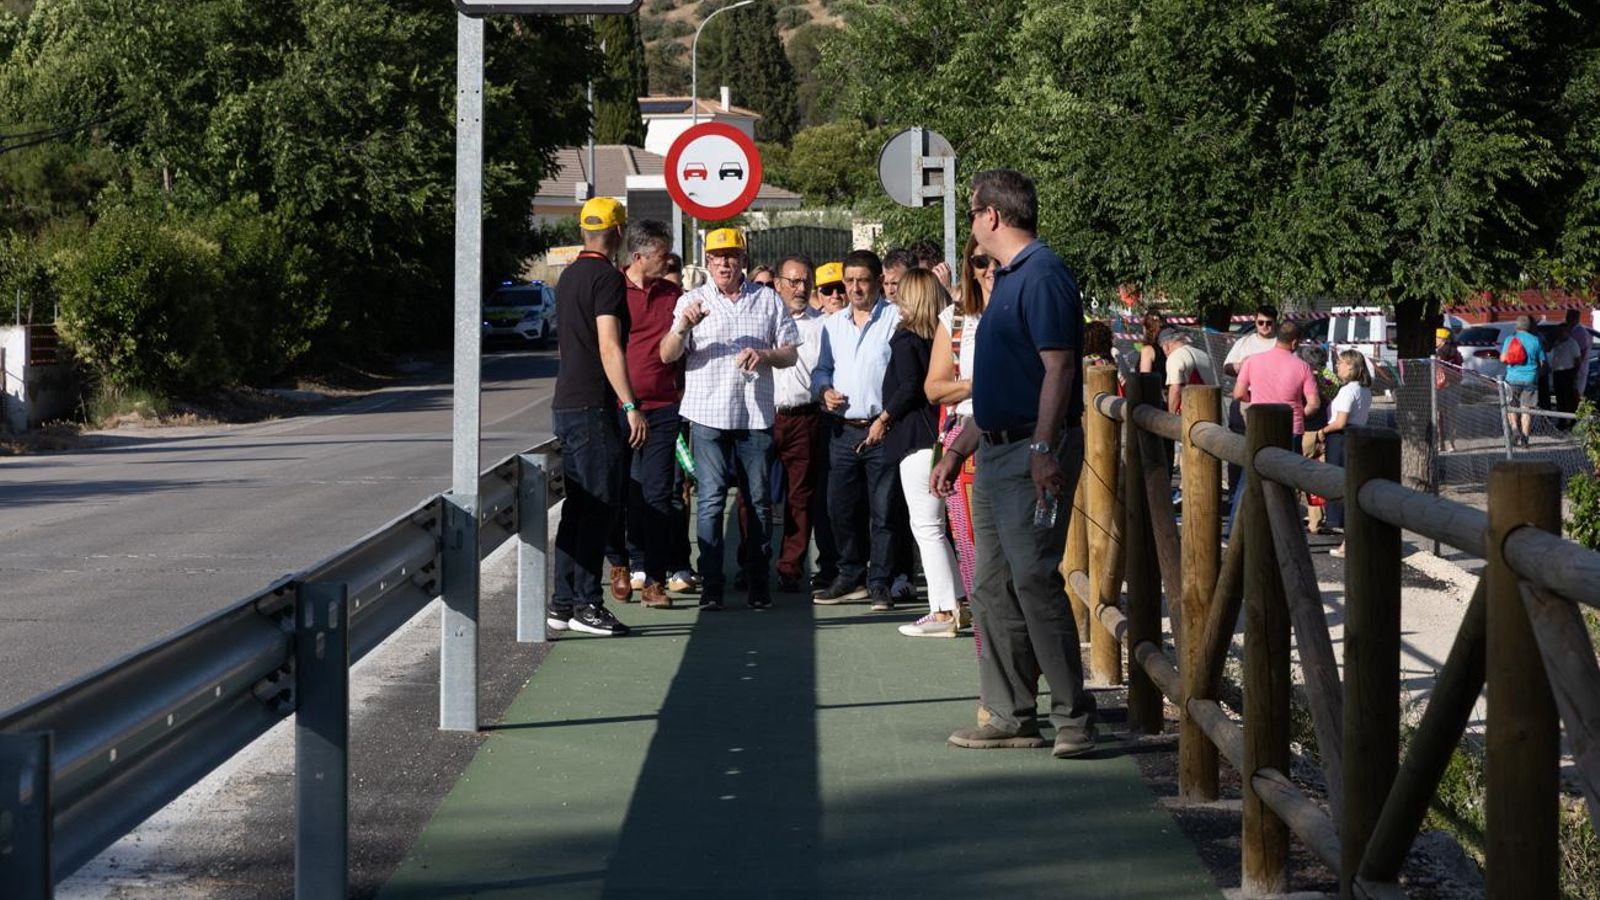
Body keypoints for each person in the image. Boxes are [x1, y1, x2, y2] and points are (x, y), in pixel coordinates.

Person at [931, 168, 1096, 759]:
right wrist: (959, 447)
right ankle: (1009, 713)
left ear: (992, 216)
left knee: (1030, 576)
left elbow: (1059, 369)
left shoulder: (1043, 275)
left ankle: (1073, 715)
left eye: (973, 212)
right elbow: (1004, 385)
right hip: (999, 446)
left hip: (1029, 450)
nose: (971, 224)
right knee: (993, 584)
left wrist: (1044, 448)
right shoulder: (1010, 280)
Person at [659, 227, 799, 610]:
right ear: (707, 262)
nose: (725, 263)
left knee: (758, 502)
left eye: (732, 256)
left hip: (754, 416)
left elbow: (791, 353)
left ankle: (758, 584)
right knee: (710, 502)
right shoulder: (692, 300)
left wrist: (765, 355)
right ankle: (712, 587)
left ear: (743, 260)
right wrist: (684, 326)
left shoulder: (768, 300)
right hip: (706, 414)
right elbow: (668, 354)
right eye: (718, 257)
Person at [548, 197, 647, 637]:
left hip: (566, 402)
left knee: (578, 507)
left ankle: (563, 602)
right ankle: (587, 603)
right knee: (599, 508)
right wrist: (629, 405)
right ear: (620, 233)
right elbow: (610, 344)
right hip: (592, 406)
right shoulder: (607, 278)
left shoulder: (568, 276)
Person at [811, 250, 902, 610]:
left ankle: (879, 581)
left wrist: (887, 418)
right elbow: (822, 370)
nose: (854, 288)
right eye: (849, 281)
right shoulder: (832, 324)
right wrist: (824, 391)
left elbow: (906, 373)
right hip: (842, 430)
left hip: (883, 428)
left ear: (878, 281)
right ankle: (850, 576)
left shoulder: (896, 318)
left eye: (862, 280)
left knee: (883, 511)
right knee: (840, 508)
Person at [878, 269, 966, 637]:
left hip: (916, 439)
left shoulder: (906, 338)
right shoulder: (946, 338)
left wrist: (884, 417)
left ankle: (943, 610)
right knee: (938, 528)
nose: (894, 295)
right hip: (945, 433)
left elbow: (912, 385)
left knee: (927, 527)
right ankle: (958, 600)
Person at [602, 218, 682, 610]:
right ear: (638, 257)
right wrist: (627, 405)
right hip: (618, 408)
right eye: (661, 255)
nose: (666, 261)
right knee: (617, 493)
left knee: (658, 496)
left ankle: (654, 579)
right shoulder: (612, 291)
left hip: (663, 407)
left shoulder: (672, 294)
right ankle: (618, 563)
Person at [925, 235, 993, 626]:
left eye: (996, 261)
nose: (989, 271)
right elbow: (934, 388)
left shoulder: (1022, 310)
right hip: (965, 440)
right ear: (969, 266)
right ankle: (989, 655)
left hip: (1016, 436)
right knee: (972, 549)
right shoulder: (954, 318)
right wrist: (976, 384)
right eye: (980, 262)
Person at [766, 255, 837, 592]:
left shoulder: (822, 325)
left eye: (805, 281)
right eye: (792, 281)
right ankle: (750, 560)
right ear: (778, 284)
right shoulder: (761, 320)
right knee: (755, 495)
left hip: (804, 417)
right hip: (761, 418)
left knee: (800, 497)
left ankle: (790, 566)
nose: (799, 288)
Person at [1229, 321, 1322, 526]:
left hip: (1260, 425)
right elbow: (1314, 403)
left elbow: (1238, 393)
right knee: (1287, 483)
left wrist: (1253, 400)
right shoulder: (1302, 367)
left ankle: (1236, 525)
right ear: (1295, 342)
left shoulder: (1253, 361)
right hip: (1291, 428)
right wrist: (1299, 414)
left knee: (1249, 478)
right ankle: (1284, 529)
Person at [1317, 349, 1372, 558]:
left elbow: (1340, 421)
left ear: (1351, 365)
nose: (1337, 366)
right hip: (1354, 437)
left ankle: (1348, 539)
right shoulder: (1363, 390)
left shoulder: (1349, 390)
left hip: (1340, 439)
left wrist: (1323, 430)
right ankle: (1348, 542)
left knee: (1341, 487)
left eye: (1340, 362)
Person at [1223, 305, 1279, 503]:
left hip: (1269, 404)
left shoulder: (1280, 344)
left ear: (1275, 322)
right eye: (1260, 322)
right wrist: (1239, 366)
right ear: (1255, 321)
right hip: (1244, 401)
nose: (1264, 327)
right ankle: (1234, 494)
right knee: (1238, 446)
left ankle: (1262, 495)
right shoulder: (1244, 342)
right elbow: (1227, 367)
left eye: (1268, 323)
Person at [1500, 315, 1546, 447]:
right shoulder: (1536, 340)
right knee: (1526, 409)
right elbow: (1542, 362)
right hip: (1530, 378)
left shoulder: (1510, 339)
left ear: (1516, 326)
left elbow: (1503, 359)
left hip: (1512, 379)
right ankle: (1525, 438)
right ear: (1530, 327)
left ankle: (1515, 430)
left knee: (1511, 406)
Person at [1158, 327, 1216, 412]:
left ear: (1166, 346)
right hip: (1210, 410)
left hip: (1190, 414)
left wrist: (1171, 415)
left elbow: (1175, 389)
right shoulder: (1204, 355)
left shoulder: (1175, 357)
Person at [1433, 327, 1462, 452]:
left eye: (1436, 338)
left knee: (1438, 416)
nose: (1434, 340)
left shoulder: (1438, 353)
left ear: (1443, 339)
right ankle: (1451, 444)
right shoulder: (1456, 353)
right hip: (1454, 385)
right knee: (1452, 416)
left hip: (1439, 387)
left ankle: (1440, 443)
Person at [1550, 323, 1582, 429]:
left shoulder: (1572, 343)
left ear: (1567, 332)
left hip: (1567, 373)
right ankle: (1562, 421)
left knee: (1569, 399)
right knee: (1560, 399)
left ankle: (1573, 420)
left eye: (1562, 331)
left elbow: (1577, 360)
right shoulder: (1557, 342)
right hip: (1557, 373)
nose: (1559, 333)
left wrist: (1574, 374)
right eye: (1558, 332)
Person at [1567, 308, 1593, 401]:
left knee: (1576, 392)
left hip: (1577, 367)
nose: (1566, 319)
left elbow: (1583, 350)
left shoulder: (1580, 331)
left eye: (1569, 317)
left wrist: (1576, 367)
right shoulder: (1571, 329)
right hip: (1570, 366)